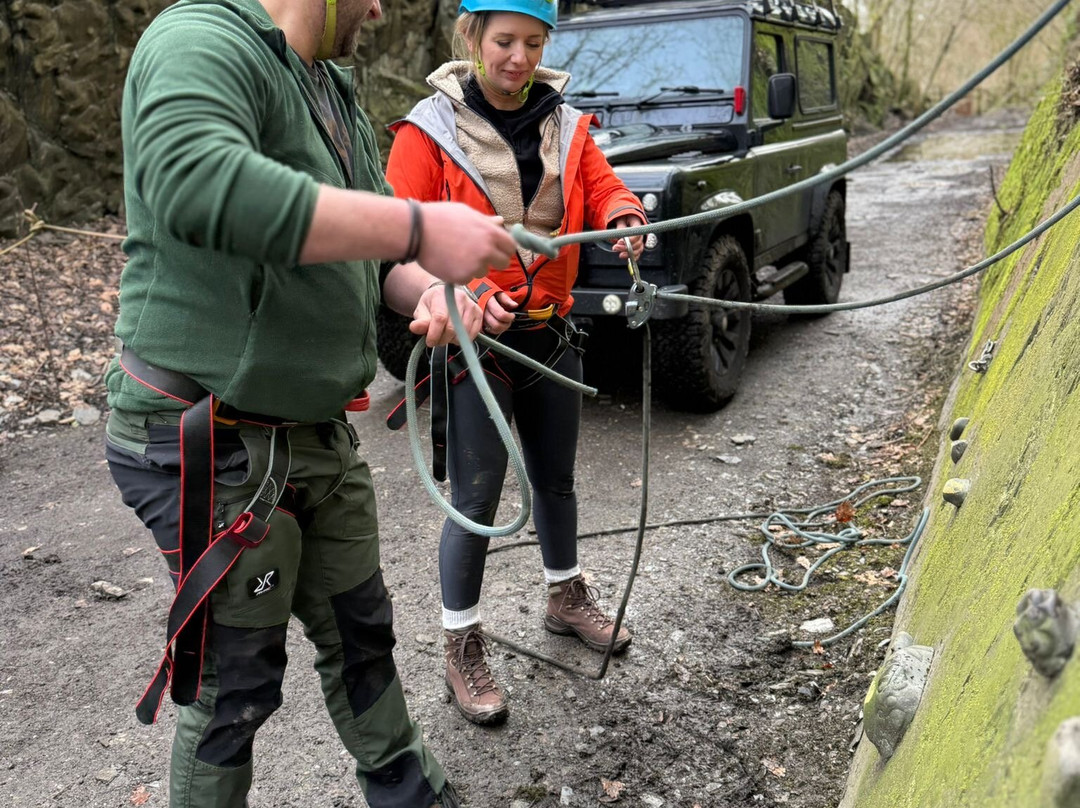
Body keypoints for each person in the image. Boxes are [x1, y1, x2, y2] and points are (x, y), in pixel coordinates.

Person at [102, 0, 519, 805]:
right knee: (239, 680)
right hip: (209, 439)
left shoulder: (329, 88)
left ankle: (413, 795)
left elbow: (379, 257)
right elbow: (199, 183)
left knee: (363, 632)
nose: (378, 8)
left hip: (315, 432)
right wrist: (415, 224)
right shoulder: (200, 39)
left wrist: (432, 288)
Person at [385, 0, 647, 726]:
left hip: (549, 332)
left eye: (534, 42)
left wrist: (624, 218)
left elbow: (601, 187)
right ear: (471, 37)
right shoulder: (428, 131)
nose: (519, 58)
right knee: (476, 499)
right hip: (477, 345)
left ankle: (565, 597)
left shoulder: (566, 123)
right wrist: (457, 290)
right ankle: (459, 645)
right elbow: (397, 236)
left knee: (556, 479)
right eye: (504, 41)